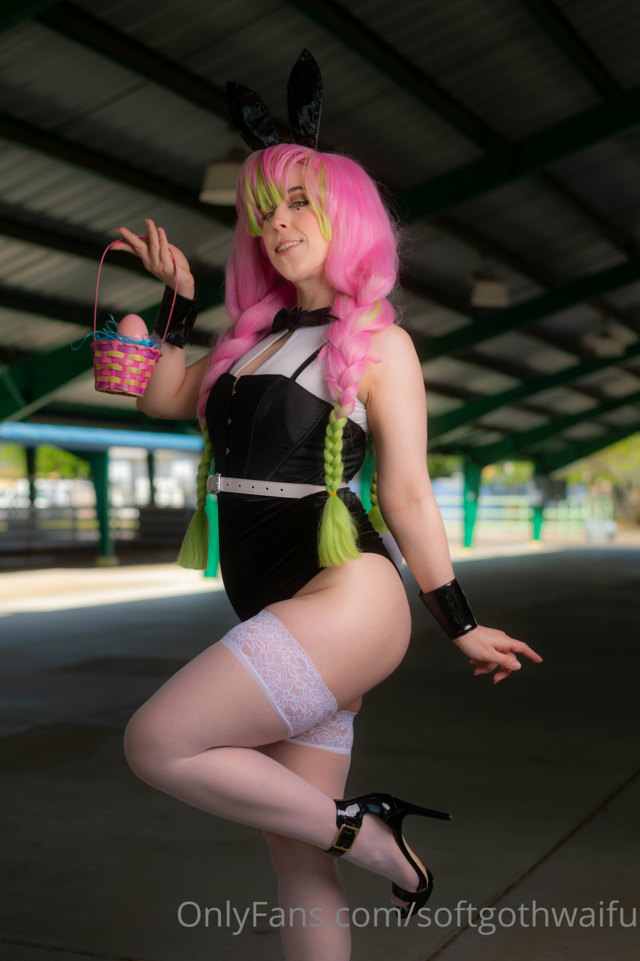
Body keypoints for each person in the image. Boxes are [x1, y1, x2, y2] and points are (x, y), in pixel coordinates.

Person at [114, 140, 542, 960]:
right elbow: (159, 393)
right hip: (274, 599)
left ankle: (366, 830)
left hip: (348, 599)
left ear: (346, 215)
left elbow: (406, 495)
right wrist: (178, 300)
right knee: (298, 858)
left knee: (157, 740)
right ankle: (349, 832)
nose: (279, 224)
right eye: (264, 211)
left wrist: (460, 623)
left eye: (300, 202)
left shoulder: (382, 344)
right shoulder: (251, 340)